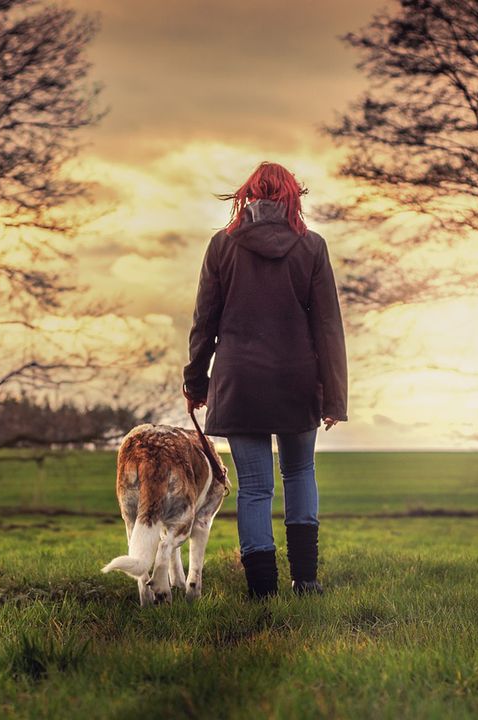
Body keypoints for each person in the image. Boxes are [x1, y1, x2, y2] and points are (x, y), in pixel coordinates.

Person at [182, 161, 348, 599]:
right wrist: (334, 398)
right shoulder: (311, 247)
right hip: (297, 380)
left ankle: (262, 592)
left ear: (248, 196)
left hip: (240, 383)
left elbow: (204, 322)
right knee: (299, 472)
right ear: (294, 197)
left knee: (254, 488)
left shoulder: (222, 246)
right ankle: (306, 581)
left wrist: (195, 383)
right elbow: (328, 326)